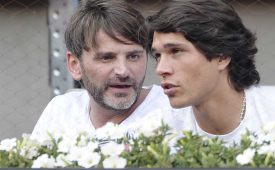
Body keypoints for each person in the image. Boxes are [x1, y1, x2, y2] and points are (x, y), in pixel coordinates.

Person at [147, 0, 275, 144]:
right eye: (157, 55)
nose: (161, 69)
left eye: (176, 51)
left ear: (222, 56)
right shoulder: (152, 133)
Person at [32, 0, 172, 139]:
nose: (123, 71)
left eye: (133, 56)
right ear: (75, 65)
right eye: (106, 58)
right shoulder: (61, 112)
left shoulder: (175, 111)